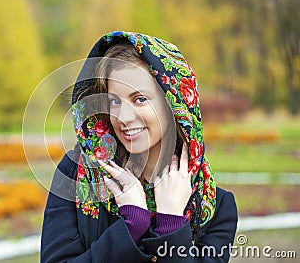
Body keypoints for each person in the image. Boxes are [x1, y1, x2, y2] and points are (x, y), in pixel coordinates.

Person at [40, 31, 238, 262]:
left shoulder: (213, 205)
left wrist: (171, 222)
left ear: (173, 103)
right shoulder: (76, 174)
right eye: (114, 101)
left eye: (140, 99)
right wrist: (131, 226)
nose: (123, 116)